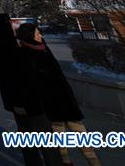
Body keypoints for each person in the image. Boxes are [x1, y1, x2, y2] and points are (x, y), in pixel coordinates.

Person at [16, 23, 101, 166]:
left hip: (66, 102)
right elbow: (30, 84)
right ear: (30, 36)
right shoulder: (25, 54)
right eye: (37, 33)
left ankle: (94, 163)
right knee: (60, 143)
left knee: (82, 137)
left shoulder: (42, 47)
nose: (40, 35)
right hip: (51, 104)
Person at [0, 13, 62, 166]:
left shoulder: (0, 43)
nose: (12, 25)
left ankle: (34, 162)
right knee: (44, 136)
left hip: (17, 100)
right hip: (27, 99)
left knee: (26, 135)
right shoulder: (8, 45)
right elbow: (14, 76)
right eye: (9, 22)